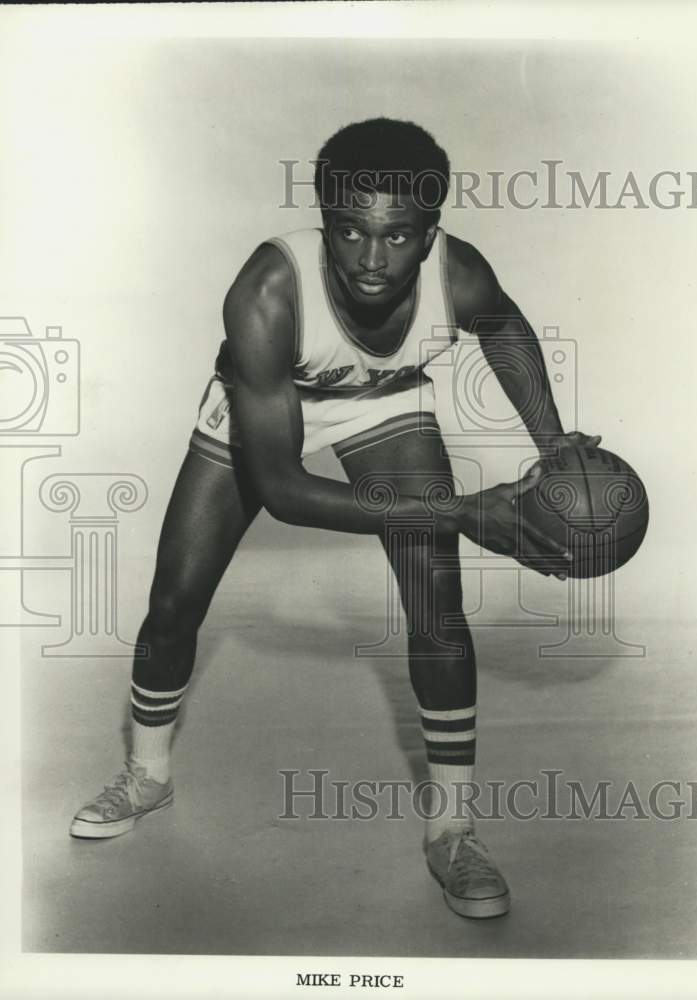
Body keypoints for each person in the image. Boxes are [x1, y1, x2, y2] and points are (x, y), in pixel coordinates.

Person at [69, 118, 599, 920]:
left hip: (382, 405)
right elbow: (286, 491)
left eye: (397, 236)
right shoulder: (267, 291)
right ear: (324, 222)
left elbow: (503, 325)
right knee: (174, 602)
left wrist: (552, 444)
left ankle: (452, 831)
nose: (372, 258)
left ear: (430, 235)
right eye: (350, 231)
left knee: (437, 608)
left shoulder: (459, 276)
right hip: (264, 412)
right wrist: (462, 510)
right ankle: (147, 774)